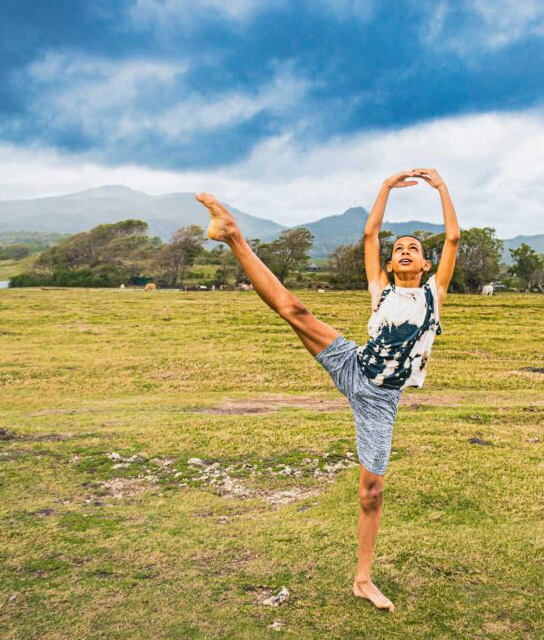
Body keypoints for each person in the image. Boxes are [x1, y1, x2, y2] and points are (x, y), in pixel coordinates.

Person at [194, 168, 460, 611]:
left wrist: (442, 189)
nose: (406, 251)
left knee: (371, 492)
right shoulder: (380, 288)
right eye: (399, 250)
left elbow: (452, 238)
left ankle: (362, 580)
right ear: (391, 266)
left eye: (414, 248)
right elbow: (371, 234)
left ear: (427, 264)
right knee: (293, 309)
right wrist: (385, 189)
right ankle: (233, 235)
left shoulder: (436, 293)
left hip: (381, 400)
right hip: (354, 364)